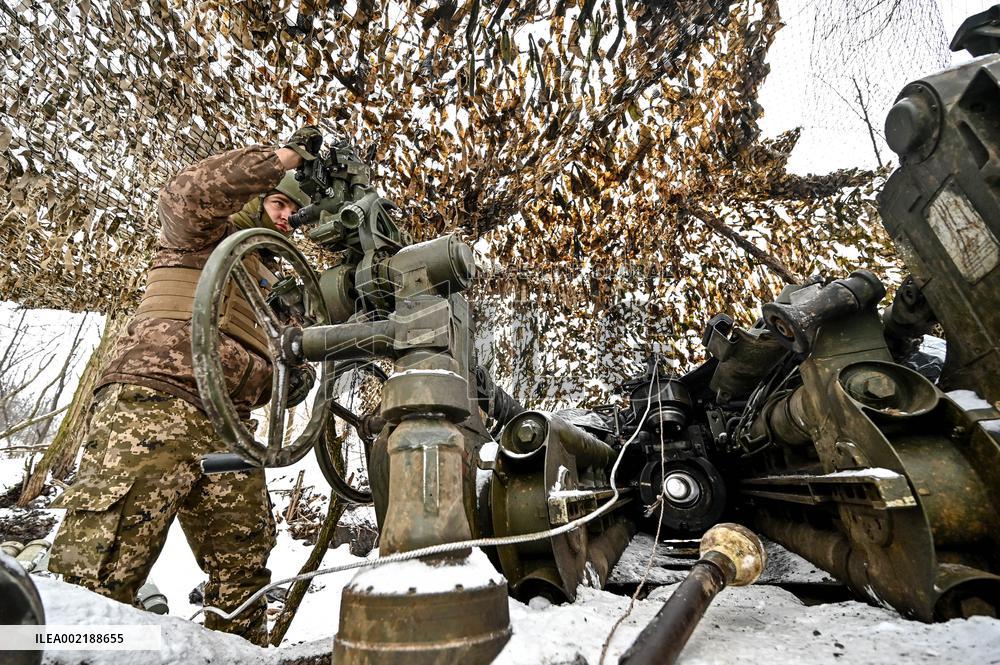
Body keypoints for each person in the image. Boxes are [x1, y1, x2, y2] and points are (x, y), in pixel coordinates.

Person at [48, 127, 321, 645]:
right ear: (257, 197)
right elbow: (187, 192)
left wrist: (296, 373)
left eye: (293, 211)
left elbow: (285, 379)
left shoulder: (280, 293)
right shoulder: (199, 237)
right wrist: (279, 160)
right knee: (99, 566)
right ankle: (65, 652)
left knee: (244, 574)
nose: (287, 217)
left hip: (232, 432)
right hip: (154, 402)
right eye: (280, 202)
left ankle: (243, 654)